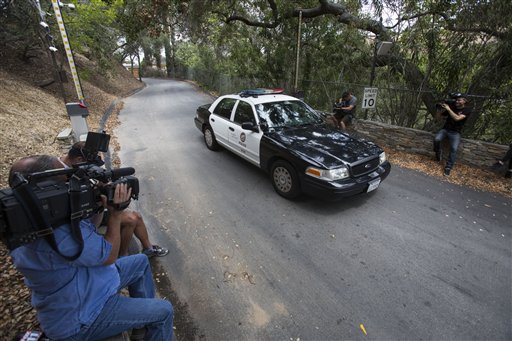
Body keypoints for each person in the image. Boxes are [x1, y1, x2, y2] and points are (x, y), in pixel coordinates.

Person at [7, 155, 174, 340]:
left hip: (88, 285)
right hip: (83, 316)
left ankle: (141, 324)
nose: (69, 186)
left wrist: (93, 208)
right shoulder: (60, 235)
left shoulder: (29, 225)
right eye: (65, 182)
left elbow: (89, 232)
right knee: (164, 311)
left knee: (141, 261)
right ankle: (149, 321)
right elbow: (109, 255)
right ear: (45, 190)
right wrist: (115, 214)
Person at [60, 141, 168, 257]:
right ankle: (123, 255)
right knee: (131, 219)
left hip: (94, 210)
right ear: (79, 160)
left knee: (137, 216)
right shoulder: (58, 175)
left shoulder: (67, 165)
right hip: (83, 219)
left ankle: (148, 248)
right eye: (90, 165)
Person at [433, 93, 471, 176]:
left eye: (459, 100)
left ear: (464, 101)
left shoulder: (466, 110)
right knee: (437, 139)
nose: (457, 101)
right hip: (445, 129)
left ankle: (448, 168)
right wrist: (438, 110)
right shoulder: (452, 107)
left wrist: (449, 109)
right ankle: (438, 153)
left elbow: (457, 118)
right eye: (456, 100)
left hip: (455, 133)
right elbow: (438, 118)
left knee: (454, 149)